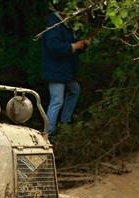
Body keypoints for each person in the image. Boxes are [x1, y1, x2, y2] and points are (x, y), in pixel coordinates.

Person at [41, 8, 90, 137]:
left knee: (74, 90)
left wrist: (82, 45)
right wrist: (73, 47)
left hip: (65, 71)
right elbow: (53, 46)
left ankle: (65, 122)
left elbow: (71, 46)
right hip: (55, 70)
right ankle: (49, 133)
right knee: (57, 100)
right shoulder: (53, 23)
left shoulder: (65, 23)